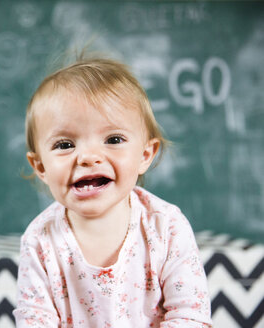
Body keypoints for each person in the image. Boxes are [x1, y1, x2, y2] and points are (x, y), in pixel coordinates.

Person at [13, 56, 212, 327]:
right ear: (41, 167)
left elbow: (190, 315)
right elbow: (34, 320)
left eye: (113, 140)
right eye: (64, 144)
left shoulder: (166, 226)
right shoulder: (40, 240)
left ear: (145, 155)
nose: (88, 157)